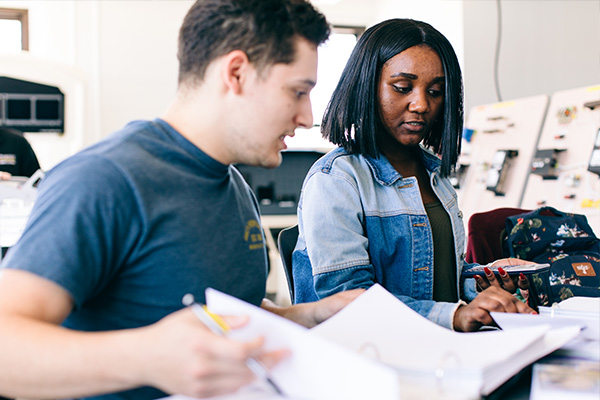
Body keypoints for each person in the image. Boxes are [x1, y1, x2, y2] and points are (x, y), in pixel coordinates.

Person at [0, 1, 363, 399]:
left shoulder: (233, 182)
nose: (307, 116)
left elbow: (209, 311)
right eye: (297, 92)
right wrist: (145, 358)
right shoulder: (105, 180)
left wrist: (306, 316)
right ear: (236, 73)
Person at [292, 18, 534, 333]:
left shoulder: (434, 173)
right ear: (366, 86)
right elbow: (346, 301)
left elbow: (438, 279)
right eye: (403, 88)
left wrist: (486, 282)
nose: (422, 104)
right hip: (372, 356)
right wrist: (454, 316)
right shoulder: (337, 180)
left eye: (435, 91)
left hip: (440, 347)